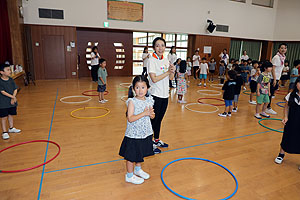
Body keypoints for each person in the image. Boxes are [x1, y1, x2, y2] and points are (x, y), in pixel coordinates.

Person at [119, 75, 155, 185]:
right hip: (134, 134)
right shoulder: (132, 102)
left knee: (141, 152)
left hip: (145, 132)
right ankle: (129, 176)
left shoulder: (149, 100)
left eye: (143, 87)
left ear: (147, 88)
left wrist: (151, 114)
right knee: (131, 156)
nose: (140, 90)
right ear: (133, 89)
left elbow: (152, 116)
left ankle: (138, 169)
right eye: (137, 87)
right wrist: (144, 113)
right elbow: (130, 118)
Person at [148, 37, 175, 154]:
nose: (160, 48)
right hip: (155, 95)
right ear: (154, 47)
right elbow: (153, 79)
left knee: (159, 120)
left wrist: (172, 71)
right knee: (153, 120)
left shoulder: (166, 59)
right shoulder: (151, 60)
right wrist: (168, 72)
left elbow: (171, 78)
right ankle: (149, 144)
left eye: (162, 45)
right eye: (158, 45)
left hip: (165, 95)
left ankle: (156, 140)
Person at [274, 77, 300, 169]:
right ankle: (281, 154)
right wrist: (285, 117)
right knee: (286, 136)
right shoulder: (291, 95)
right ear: (296, 84)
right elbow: (286, 107)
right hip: (292, 120)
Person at [0, 63, 21, 140]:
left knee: (11, 115)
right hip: (3, 103)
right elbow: (3, 92)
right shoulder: (0, 81)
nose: (10, 71)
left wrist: (13, 97)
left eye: (10, 69)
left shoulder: (11, 79)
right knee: (4, 117)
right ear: (2, 72)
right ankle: (4, 132)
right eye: (8, 70)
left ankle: (11, 128)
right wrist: (12, 97)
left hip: (12, 102)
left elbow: (15, 89)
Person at [266, 43, 288, 115]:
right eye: (281, 48)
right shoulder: (276, 57)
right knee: (270, 93)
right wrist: (275, 79)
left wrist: (278, 79)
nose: (283, 49)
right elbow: (273, 69)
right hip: (273, 78)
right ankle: (267, 108)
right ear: (278, 49)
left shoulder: (282, 57)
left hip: (276, 78)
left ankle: (267, 107)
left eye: (285, 48)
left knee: (272, 93)